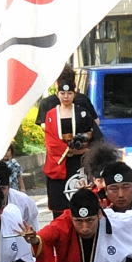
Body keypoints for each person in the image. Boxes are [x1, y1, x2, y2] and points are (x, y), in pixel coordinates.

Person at [40, 67, 97, 215]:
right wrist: (67, 149)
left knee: (80, 195)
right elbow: (48, 134)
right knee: (61, 200)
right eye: (62, 93)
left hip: (79, 160)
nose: (66, 96)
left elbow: (93, 127)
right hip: (58, 159)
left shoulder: (81, 107)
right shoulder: (51, 110)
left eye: (70, 93)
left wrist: (83, 143)